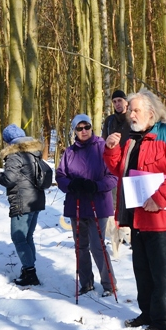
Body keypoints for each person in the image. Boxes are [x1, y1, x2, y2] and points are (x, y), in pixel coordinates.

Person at [104, 89, 166, 330]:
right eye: (130, 109)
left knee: (161, 270)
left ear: (151, 113)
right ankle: (146, 313)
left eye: (135, 110)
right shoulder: (130, 138)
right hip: (136, 215)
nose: (130, 114)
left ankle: (162, 321)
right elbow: (117, 169)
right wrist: (111, 149)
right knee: (141, 269)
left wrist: (160, 197)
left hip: (161, 216)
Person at [56, 114, 118, 297]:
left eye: (87, 127)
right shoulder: (69, 152)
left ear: (92, 127)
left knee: (97, 246)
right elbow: (60, 176)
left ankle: (109, 284)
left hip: (97, 204)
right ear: (74, 131)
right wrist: (70, 185)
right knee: (80, 246)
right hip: (76, 204)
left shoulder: (103, 148)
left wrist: (96, 186)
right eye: (79, 128)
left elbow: (113, 176)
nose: (84, 131)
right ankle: (86, 282)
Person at [0, 124, 46, 286]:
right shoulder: (34, 153)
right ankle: (28, 268)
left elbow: (9, 178)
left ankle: (30, 272)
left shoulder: (14, 155)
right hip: (36, 200)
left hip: (21, 201)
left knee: (18, 237)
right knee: (27, 236)